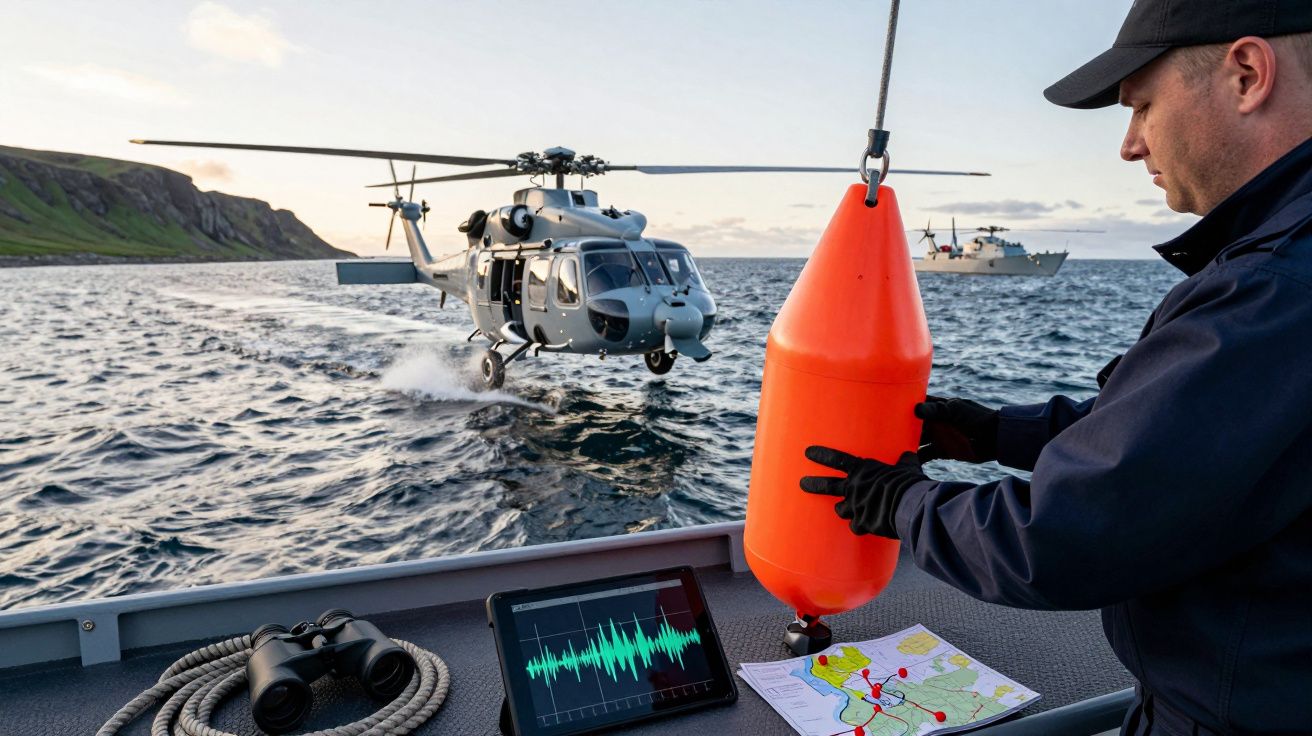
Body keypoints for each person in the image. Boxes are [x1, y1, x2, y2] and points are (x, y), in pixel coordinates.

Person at [799, 2, 1312, 734]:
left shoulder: (1276, 289)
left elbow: (1075, 534)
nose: (1131, 145)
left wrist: (902, 504)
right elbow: (1182, 439)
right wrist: (996, 434)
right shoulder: (1281, 267)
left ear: (1247, 74)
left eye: (1141, 106)